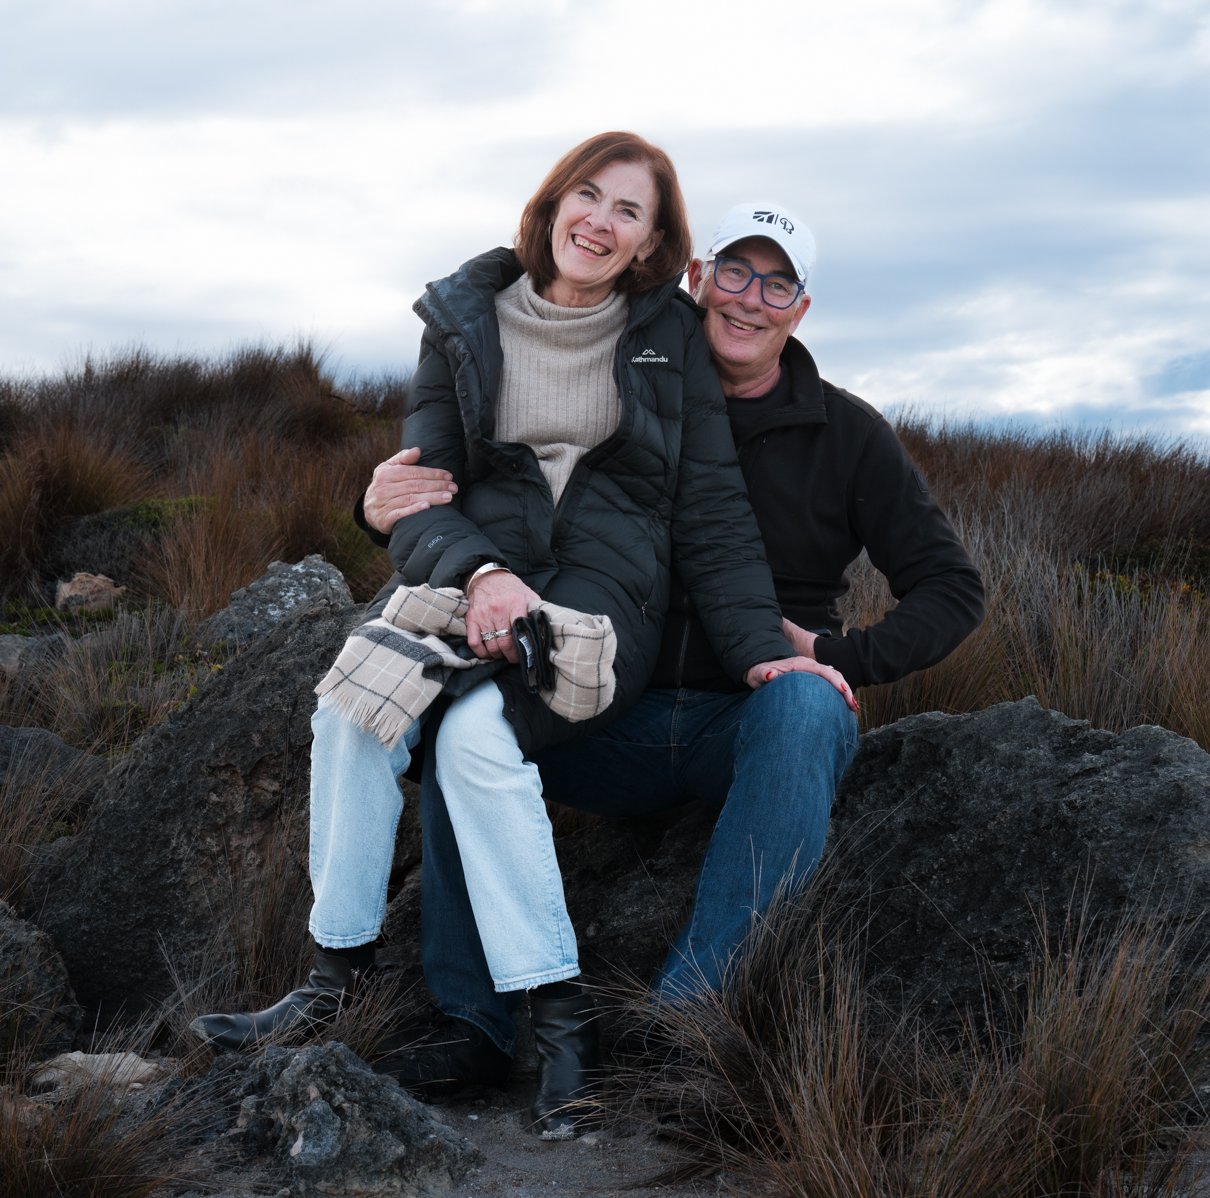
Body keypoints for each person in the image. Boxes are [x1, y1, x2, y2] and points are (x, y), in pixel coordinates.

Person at [189, 137, 853, 1139]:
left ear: (651, 245)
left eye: (629, 211)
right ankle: (334, 976)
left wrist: (764, 646)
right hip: (476, 583)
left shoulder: (667, 335)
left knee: (472, 736)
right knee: (353, 708)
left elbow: (713, 511)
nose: (601, 221)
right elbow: (416, 497)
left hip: (602, 605)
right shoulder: (460, 320)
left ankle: (554, 1018)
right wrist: (477, 570)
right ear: (552, 203)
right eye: (589, 195)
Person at [359, 201, 985, 1095]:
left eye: (778, 285)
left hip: (749, 722)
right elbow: (477, 488)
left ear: (801, 309)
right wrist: (375, 506)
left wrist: (838, 657)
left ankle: (686, 1020)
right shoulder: (618, 392)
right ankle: (472, 1021)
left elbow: (953, 589)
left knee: (808, 706)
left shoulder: (848, 436)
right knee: (470, 718)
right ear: (696, 279)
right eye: (734, 271)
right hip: (603, 708)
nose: (751, 299)